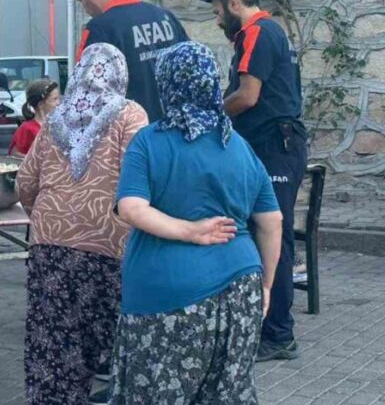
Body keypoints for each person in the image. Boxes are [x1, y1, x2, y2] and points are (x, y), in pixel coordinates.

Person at [110, 41, 282, 404]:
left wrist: (190, 231)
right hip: (241, 288)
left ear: (166, 85)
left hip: (168, 295)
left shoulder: (149, 142)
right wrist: (267, 285)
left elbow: (131, 208)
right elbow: (272, 220)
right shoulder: (238, 146)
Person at [16, 44, 146, 405]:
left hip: (50, 249)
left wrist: (48, 220)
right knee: (115, 342)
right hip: (110, 247)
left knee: (55, 346)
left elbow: (25, 183)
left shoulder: (54, 118)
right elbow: (144, 176)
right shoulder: (130, 115)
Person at [201, 0, 308, 362]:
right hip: (274, 144)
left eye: (216, 10)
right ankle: (265, 324)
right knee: (266, 232)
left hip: (274, 146)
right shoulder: (269, 32)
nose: (216, 20)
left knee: (270, 234)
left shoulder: (257, 33)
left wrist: (208, 115)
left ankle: (278, 335)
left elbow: (247, 96)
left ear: (233, 2)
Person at [71, 0, 188, 121]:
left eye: (81, 0)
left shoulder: (99, 30)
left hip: (132, 138)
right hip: (176, 133)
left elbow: (85, 96)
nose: (84, 9)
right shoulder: (166, 17)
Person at [8, 78, 61, 157]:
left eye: (58, 98)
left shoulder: (58, 125)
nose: (58, 103)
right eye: (54, 99)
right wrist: (36, 160)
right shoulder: (27, 128)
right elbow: (14, 154)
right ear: (40, 104)